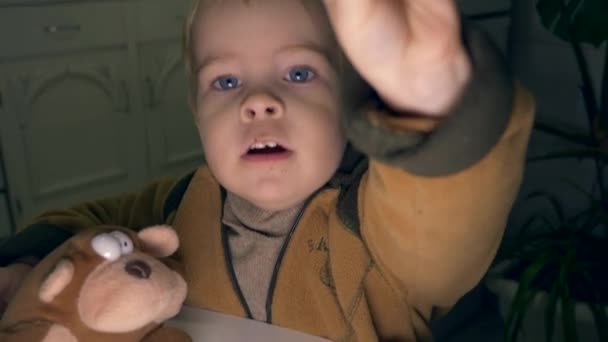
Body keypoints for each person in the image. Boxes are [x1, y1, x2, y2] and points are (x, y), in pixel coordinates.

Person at [0, 0, 535, 340]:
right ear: (196, 113)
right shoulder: (176, 206)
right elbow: (87, 225)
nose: (259, 101)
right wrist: (29, 263)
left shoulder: (378, 223)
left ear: (348, 101)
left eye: (299, 72)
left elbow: (439, 226)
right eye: (226, 82)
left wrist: (430, 108)